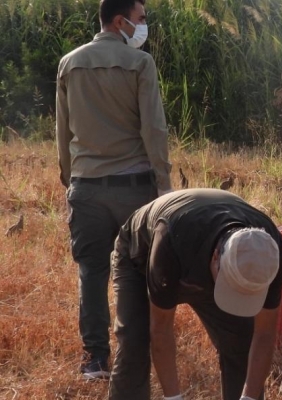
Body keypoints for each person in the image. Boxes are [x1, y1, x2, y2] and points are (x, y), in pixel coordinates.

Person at [56, 0, 171, 379]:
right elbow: (154, 131)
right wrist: (164, 189)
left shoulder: (69, 63)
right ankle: (132, 356)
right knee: (135, 274)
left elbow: (63, 131)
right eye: (140, 19)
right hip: (133, 190)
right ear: (120, 21)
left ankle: (95, 359)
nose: (143, 26)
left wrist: (70, 177)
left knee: (91, 273)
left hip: (86, 187)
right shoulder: (141, 64)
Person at [108, 189, 282, 400]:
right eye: (231, 289)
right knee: (134, 342)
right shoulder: (171, 241)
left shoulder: (269, 254)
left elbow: (264, 334)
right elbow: (161, 329)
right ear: (215, 258)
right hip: (139, 256)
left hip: (200, 254)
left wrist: (248, 397)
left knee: (241, 342)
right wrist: (173, 398)